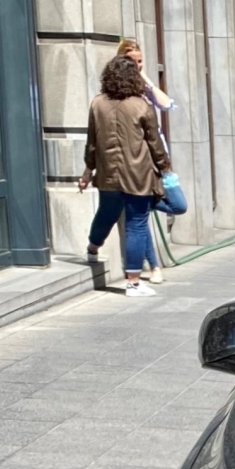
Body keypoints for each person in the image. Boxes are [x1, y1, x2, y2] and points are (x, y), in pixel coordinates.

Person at [78, 52, 170, 293]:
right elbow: (154, 143)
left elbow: (92, 142)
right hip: (138, 174)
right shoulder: (141, 105)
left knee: (106, 213)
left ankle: (92, 247)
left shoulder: (97, 103)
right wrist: (166, 168)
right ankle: (133, 282)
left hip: (108, 173)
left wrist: (88, 169)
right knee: (137, 225)